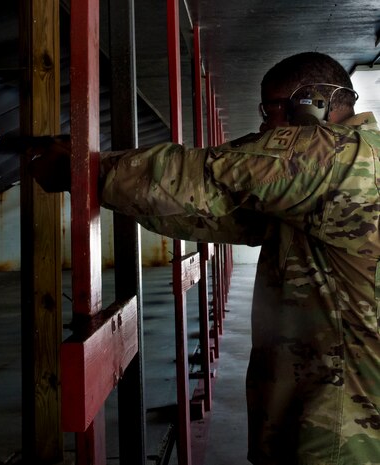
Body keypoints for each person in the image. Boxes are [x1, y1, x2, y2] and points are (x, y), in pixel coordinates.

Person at [27, 52, 380, 465]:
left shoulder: (341, 156)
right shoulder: (328, 178)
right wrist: (98, 182)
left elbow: (206, 174)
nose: (265, 125)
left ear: (315, 102)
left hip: (343, 431)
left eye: (273, 109)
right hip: (329, 412)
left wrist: (83, 169)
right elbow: (206, 212)